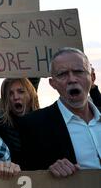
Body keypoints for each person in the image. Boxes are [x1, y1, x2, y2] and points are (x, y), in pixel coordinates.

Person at [19, 47, 101, 177]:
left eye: (79, 71)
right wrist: (48, 171)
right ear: (53, 83)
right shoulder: (33, 125)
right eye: (62, 74)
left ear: (92, 77)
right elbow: (27, 176)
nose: (72, 79)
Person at [0, 78, 39, 163]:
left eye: (21, 92)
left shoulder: (44, 124)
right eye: (10, 94)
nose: (15, 97)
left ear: (31, 95)